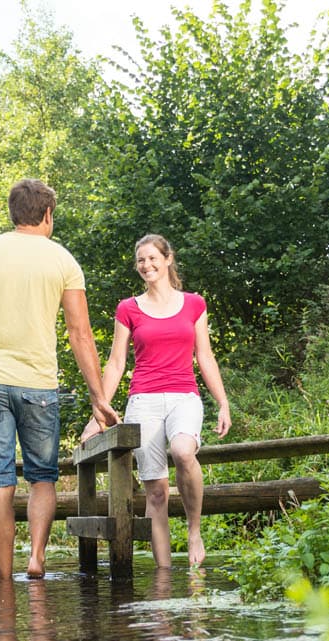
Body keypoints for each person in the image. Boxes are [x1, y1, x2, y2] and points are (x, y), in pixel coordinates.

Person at [0, 179, 117, 581]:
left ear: (13, 212)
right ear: (48, 214)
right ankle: (36, 558)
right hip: (38, 384)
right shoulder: (62, 261)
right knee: (41, 477)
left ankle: (4, 580)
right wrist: (98, 396)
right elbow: (79, 333)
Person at [82, 234, 230, 568]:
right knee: (156, 493)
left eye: (152, 259)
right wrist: (99, 412)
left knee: (182, 451)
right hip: (143, 400)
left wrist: (222, 402)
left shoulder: (194, 304)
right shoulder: (128, 308)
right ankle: (163, 580)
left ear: (167, 260)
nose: (146, 266)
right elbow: (117, 363)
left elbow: (204, 357)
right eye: (140, 261)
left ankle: (194, 530)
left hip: (184, 396)